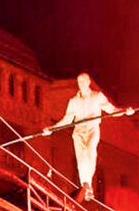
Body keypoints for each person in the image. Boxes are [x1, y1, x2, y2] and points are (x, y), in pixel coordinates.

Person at [43, 73, 132, 202]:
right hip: (78, 131)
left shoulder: (97, 97)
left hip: (92, 128)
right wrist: (52, 129)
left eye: (83, 81)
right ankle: (85, 184)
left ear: (89, 82)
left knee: (90, 152)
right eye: (79, 81)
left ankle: (88, 184)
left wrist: (124, 111)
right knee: (81, 158)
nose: (81, 84)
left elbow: (111, 110)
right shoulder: (74, 101)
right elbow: (67, 119)